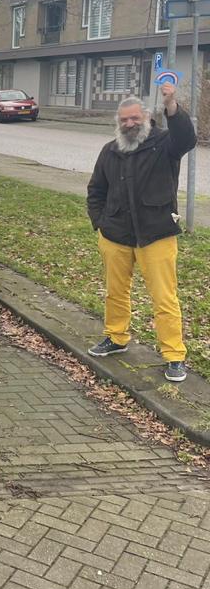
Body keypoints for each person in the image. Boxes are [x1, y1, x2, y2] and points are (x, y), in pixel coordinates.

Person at [85, 84, 197, 382]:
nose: (129, 124)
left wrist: (172, 105)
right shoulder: (110, 150)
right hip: (115, 235)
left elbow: (187, 139)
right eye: (124, 120)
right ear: (118, 123)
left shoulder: (164, 144)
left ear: (146, 117)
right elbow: (96, 190)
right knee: (115, 293)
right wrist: (101, 222)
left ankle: (174, 355)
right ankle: (116, 337)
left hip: (156, 234)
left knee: (164, 298)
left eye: (134, 118)